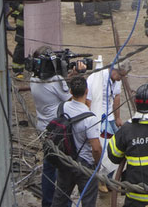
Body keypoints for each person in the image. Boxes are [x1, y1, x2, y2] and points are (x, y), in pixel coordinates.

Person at [29, 50, 73, 207]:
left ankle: (47, 202)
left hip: (43, 127)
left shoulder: (33, 78)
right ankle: (64, 204)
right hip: (59, 130)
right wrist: (70, 77)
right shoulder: (55, 81)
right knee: (65, 169)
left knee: (48, 167)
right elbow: (72, 99)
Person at [50, 76, 101, 207]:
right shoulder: (90, 118)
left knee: (59, 199)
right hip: (85, 165)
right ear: (87, 91)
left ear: (71, 91)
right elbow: (96, 148)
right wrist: (97, 164)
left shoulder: (62, 107)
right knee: (88, 201)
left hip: (65, 159)